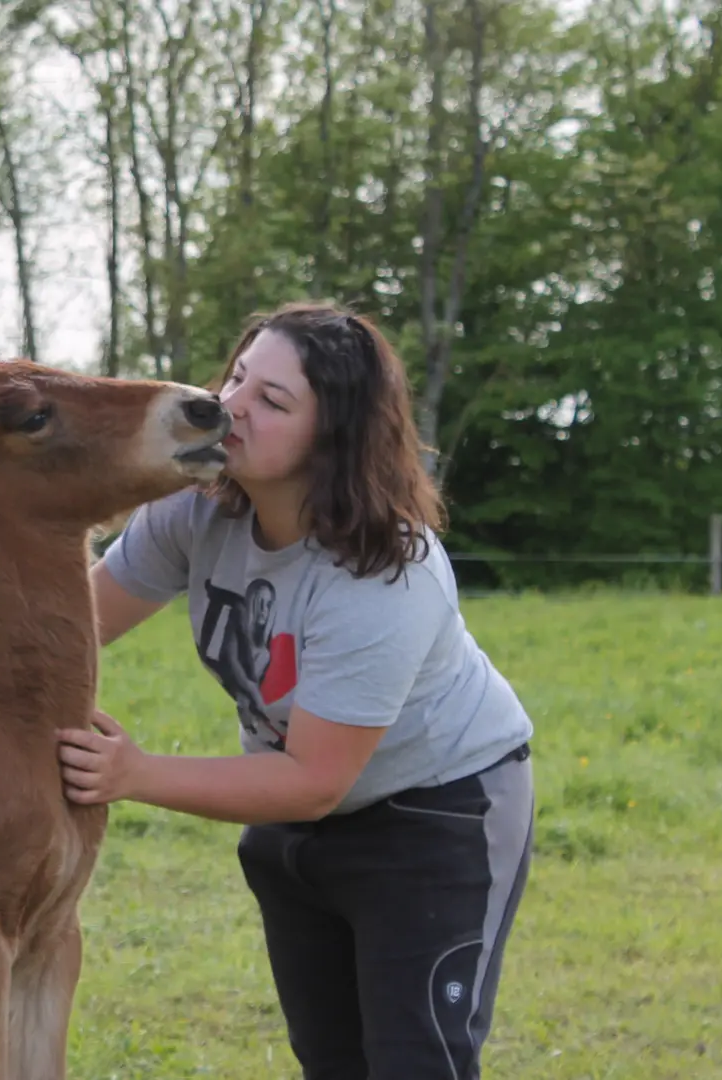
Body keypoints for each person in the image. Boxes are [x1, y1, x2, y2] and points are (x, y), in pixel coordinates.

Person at [58, 301, 535, 1079]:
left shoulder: (384, 575)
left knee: (418, 1062)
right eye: (238, 376)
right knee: (332, 1064)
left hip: (436, 816)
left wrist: (134, 774)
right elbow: (74, 628)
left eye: (273, 401)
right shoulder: (194, 505)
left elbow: (315, 779)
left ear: (335, 439)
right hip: (293, 820)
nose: (231, 405)